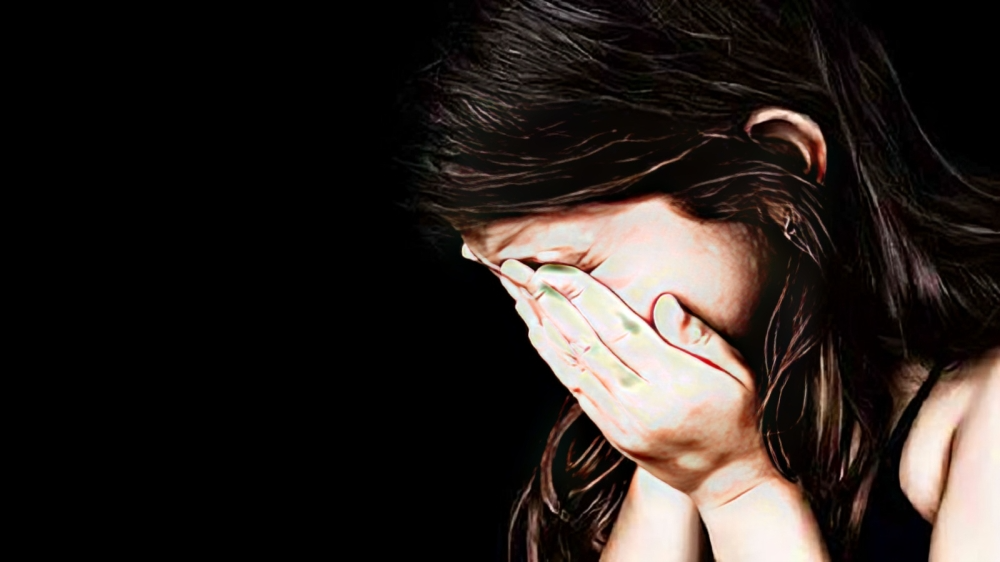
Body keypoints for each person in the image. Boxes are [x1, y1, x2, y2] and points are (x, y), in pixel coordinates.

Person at [403, 0, 1000, 560]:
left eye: (570, 270)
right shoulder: (684, 431)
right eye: (516, 284)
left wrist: (735, 487)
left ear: (779, 167)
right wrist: (674, 466)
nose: (563, 324)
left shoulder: (983, 414)